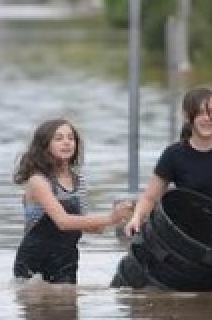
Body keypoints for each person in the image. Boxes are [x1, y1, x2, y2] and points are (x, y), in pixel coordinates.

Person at [124, 86, 212, 286]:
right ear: (188, 117)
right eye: (202, 113)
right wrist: (136, 216)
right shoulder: (174, 155)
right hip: (193, 244)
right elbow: (150, 197)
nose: (208, 118)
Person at [13, 118, 132, 284]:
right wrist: (110, 217)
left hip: (66, 261)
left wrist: (126, 215)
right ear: (45, 145)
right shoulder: (38, 181)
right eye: (59, 138)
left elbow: (89, 226)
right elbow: (63, 222)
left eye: (71, 138)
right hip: (34, 263)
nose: (67, 142)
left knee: (67, 309)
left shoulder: (79, 181)